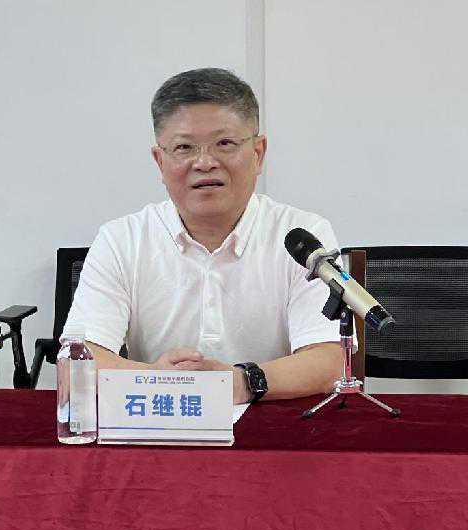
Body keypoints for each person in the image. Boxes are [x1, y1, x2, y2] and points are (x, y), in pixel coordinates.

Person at [64, 68, 342, 404]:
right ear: (160, 161)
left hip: (271, 423)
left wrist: (240, 382)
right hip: (160, 421)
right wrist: (157, 381)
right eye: (184, 147)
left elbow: (330, 361)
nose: (205, 162)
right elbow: (75, 362)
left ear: (258, 153)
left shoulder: (301, 237)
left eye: (224, 144)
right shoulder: (121, 239)